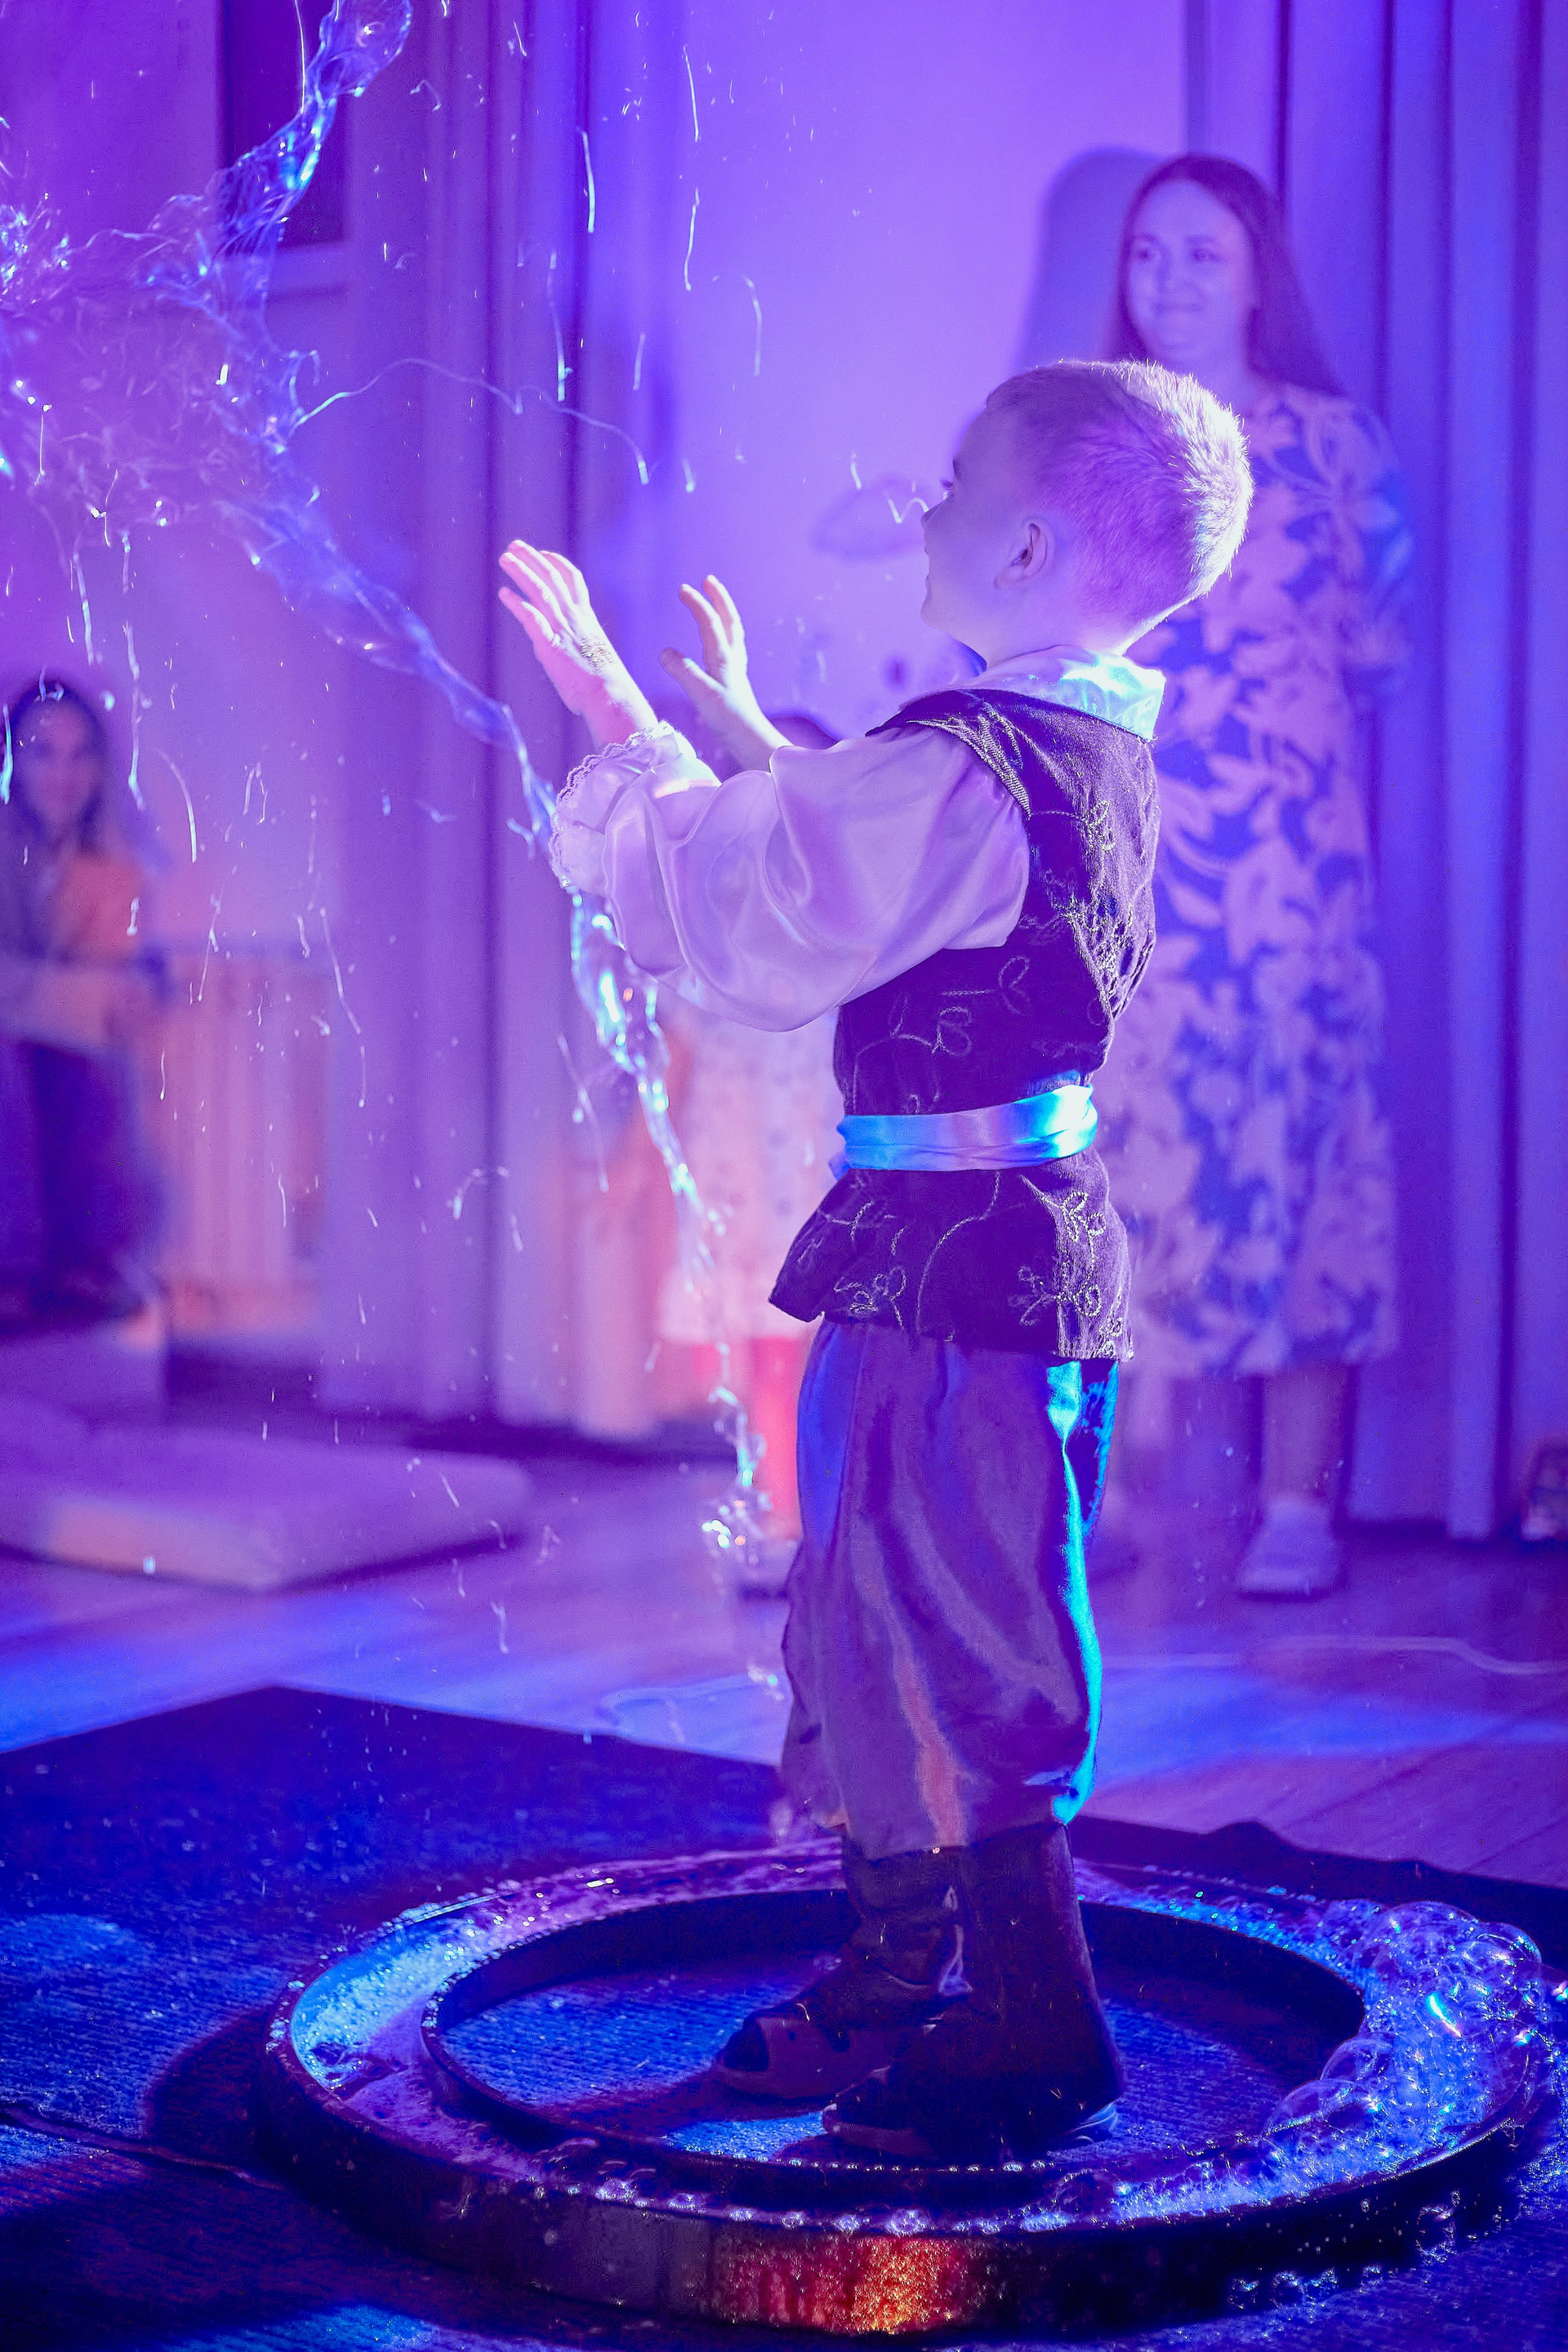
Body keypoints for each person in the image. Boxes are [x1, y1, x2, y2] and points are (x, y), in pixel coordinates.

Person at [498, 359, 1252, 2160]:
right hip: (954, 1246)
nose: (924, 510)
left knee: (966, 1612)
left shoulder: (971, 763)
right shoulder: (1068, 739)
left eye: (952, 484)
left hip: (961, 1270)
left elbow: (768, 910)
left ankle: (1036, 2018)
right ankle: (901, 1963)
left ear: (1029, 544)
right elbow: (864, 859)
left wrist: (617, 716)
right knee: (863, 1598)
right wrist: (744, 734)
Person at [1096, 156, 1413, 1600]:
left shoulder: (1338, 445)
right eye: (1147, 252)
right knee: (1115, 1161)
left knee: (1308, 1149)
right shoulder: (1089, 435)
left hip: (1292, 867)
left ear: (1255, 276)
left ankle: (1296, 1506)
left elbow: (1385, 647)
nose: (1169, 280)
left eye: (1202, 254)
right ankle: (1103, 1493)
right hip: (1130, 858)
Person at [653, 692, 843, 1561]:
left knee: (832, 1351)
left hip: (820, 1165)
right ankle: (782, 1517)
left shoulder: (854, 920)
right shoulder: (711, 923)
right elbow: (676, 1050)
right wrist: (635, 1161)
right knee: (767, 1352)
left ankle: (838, 1519)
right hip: (743, 1170)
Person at [0, 679, 160, 1325]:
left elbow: (101, 997)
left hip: (46, 1038)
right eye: (42, 752)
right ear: (12, 761)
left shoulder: (112, 871)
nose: (62, 775)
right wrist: (81, 999)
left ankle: (80, 1263)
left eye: (79, 754)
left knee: (87, 1069)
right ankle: (21, 1267)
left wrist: (99, 999)